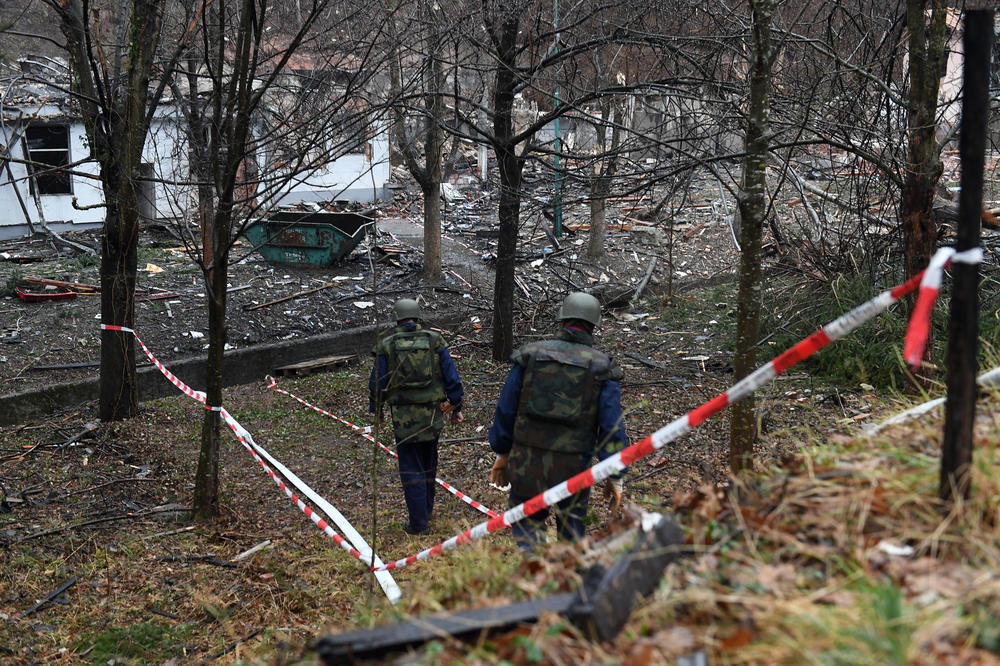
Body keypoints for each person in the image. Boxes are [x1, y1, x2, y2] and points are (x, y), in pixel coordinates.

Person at [487, 292, 628, 550]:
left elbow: (506, 409)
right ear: (594, 326)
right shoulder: (602, 367)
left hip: (527, 462)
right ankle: (565, 572)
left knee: (527, 531)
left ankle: (533, 569)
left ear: (562, 320)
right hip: (573, 467)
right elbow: (611, 426)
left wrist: (502, 452)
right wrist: (615, 473)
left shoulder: (530, 355)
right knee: (571, 536)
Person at [370, 298, 464, 535]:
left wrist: (377, 411)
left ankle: (418, 524)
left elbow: (377, 383)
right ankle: (426, 512)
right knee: (429, 463)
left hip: (403, 419)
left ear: (396, 318)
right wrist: (456, 406)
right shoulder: (435, 340)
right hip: (432, 416)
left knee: (411, 468)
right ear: (418, 316)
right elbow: (451, 377)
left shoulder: (386, 345)